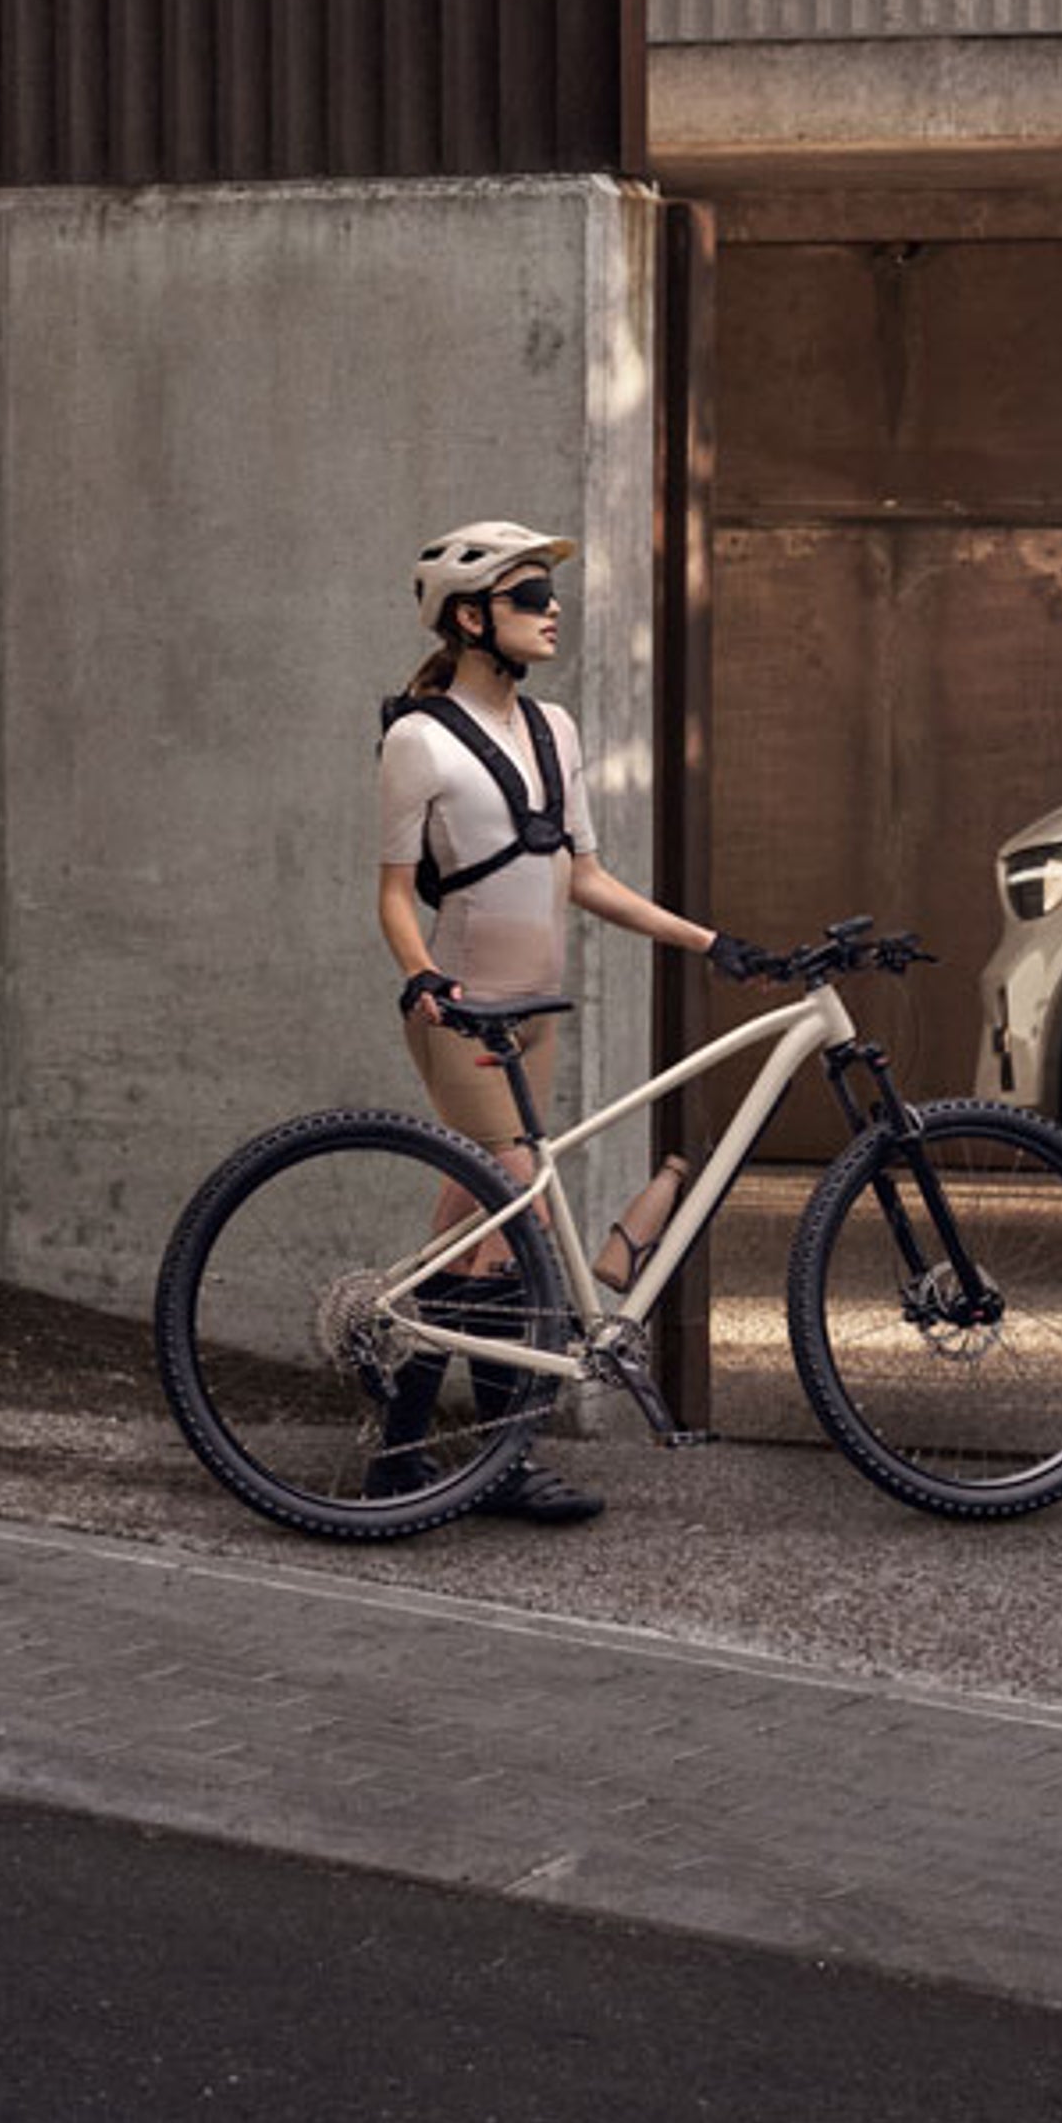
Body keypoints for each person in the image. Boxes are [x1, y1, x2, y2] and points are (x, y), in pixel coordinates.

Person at [375, 518, 741, 1522]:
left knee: (469, 1241)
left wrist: (707, 943)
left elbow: (586, 879)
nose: (552, 611)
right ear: (470, 616)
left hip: (535, 1014)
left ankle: (400, 1440)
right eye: (530, 597)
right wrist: (420, 978)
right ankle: (499, 1462)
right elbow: (396, 895)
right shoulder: (417, 739)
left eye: (549, 595)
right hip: (461, 1010)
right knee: (527, 1218)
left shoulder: (558, 730)